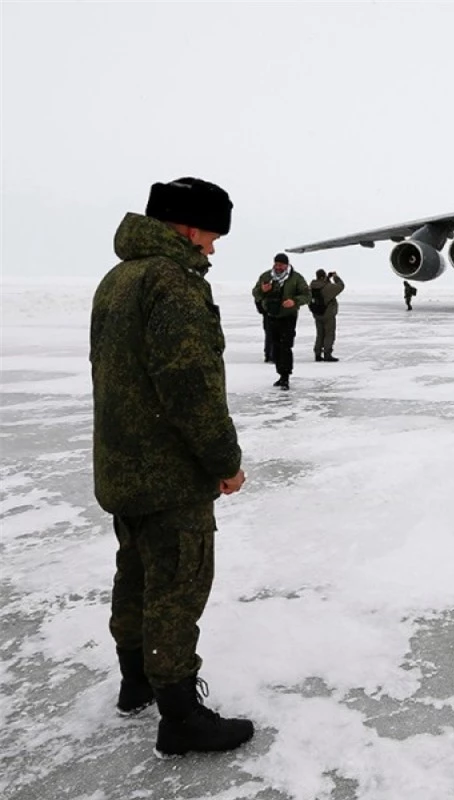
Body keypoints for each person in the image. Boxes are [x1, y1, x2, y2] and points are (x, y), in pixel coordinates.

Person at [90, 177, 253, 757]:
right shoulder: (174, 284)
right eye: (211, 234)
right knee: (177, 588)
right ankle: (180, 717)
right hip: (168, 475)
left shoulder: (119, 279)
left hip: (122, 466)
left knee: (133, 575)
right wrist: (224, 462)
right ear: (188, 227)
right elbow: (191, 388)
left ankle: (136, 683)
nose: (212, 248)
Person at [252, 254, 310, 389]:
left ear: (287, 265)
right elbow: (256, 293)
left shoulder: (296, 278)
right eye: (276, 264)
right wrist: (262, 290)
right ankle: (280, 374)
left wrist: (294, 301)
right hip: (271, 316)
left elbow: (307, 295)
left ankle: (285, 376)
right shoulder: (266, 276)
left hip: (288, 317)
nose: (278, 267)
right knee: (275, 346)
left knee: (286, 346)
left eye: (281, 265)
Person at [309, 268, 345, 362]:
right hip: (328, 314)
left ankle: (317, 354)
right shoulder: (328, 287)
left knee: (320, 334)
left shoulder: (312, 286)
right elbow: (341, 286)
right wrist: (335, 277)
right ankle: (327, 353)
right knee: (329, 334)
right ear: (323, 276)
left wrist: (327, 279)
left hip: (317, 314)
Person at [254, 297, 274, 363]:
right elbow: (257, 293)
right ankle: (270, 355)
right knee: (271, 334)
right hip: (269, 312)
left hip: (286, 312)